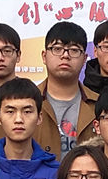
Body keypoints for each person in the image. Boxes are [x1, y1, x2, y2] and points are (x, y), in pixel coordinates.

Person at [37, 22, 98, 159]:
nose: (65, 55)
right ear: (44, 56)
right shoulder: (27, 101)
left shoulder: (98, 105)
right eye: (57, 49)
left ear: (84, 58)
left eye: (74, 50)